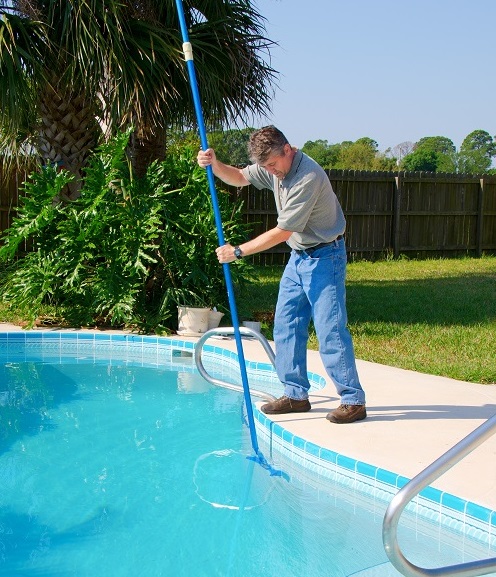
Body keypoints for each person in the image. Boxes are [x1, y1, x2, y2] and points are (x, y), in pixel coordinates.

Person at [197, 126, 366, 424]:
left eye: (273, 164)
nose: (270, 171)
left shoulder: (307, 177)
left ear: (288, 149)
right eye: (265, 167)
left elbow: (283, 231)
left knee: (330, 329)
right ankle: (296, 395)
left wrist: (237, 251)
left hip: (326, 256)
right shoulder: (275, 168)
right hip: (298, 257)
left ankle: (353, 400)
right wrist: (215, 163)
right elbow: (239, 177)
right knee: (286, 325)